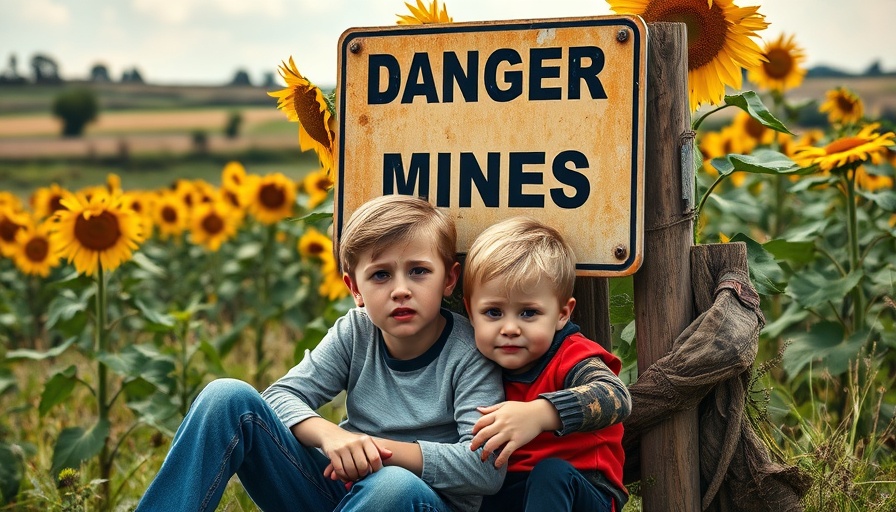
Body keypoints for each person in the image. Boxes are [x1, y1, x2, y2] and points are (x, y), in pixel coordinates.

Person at [137, 194, 505, 512]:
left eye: (419, 271)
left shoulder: (470, 351)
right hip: (338, 492)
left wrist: (377, 450)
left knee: (392, 484)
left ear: (449, 280)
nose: (400, 290)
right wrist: (333, 437)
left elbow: (484, 468)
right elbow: (280, 396)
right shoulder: (357, 330)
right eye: (380, 275)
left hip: (417, 501)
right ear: (354, 288)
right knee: (225, 396)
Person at [462, 216, 631, 512]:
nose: (510, 328)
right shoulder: (472, 365)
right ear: (470, 312)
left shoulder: (571, 355)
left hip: (581, 488)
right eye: (493, 312)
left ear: (563, 314)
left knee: (550, 474)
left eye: (528, 313)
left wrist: (541, 414)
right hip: (510, 490)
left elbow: (615, 397)